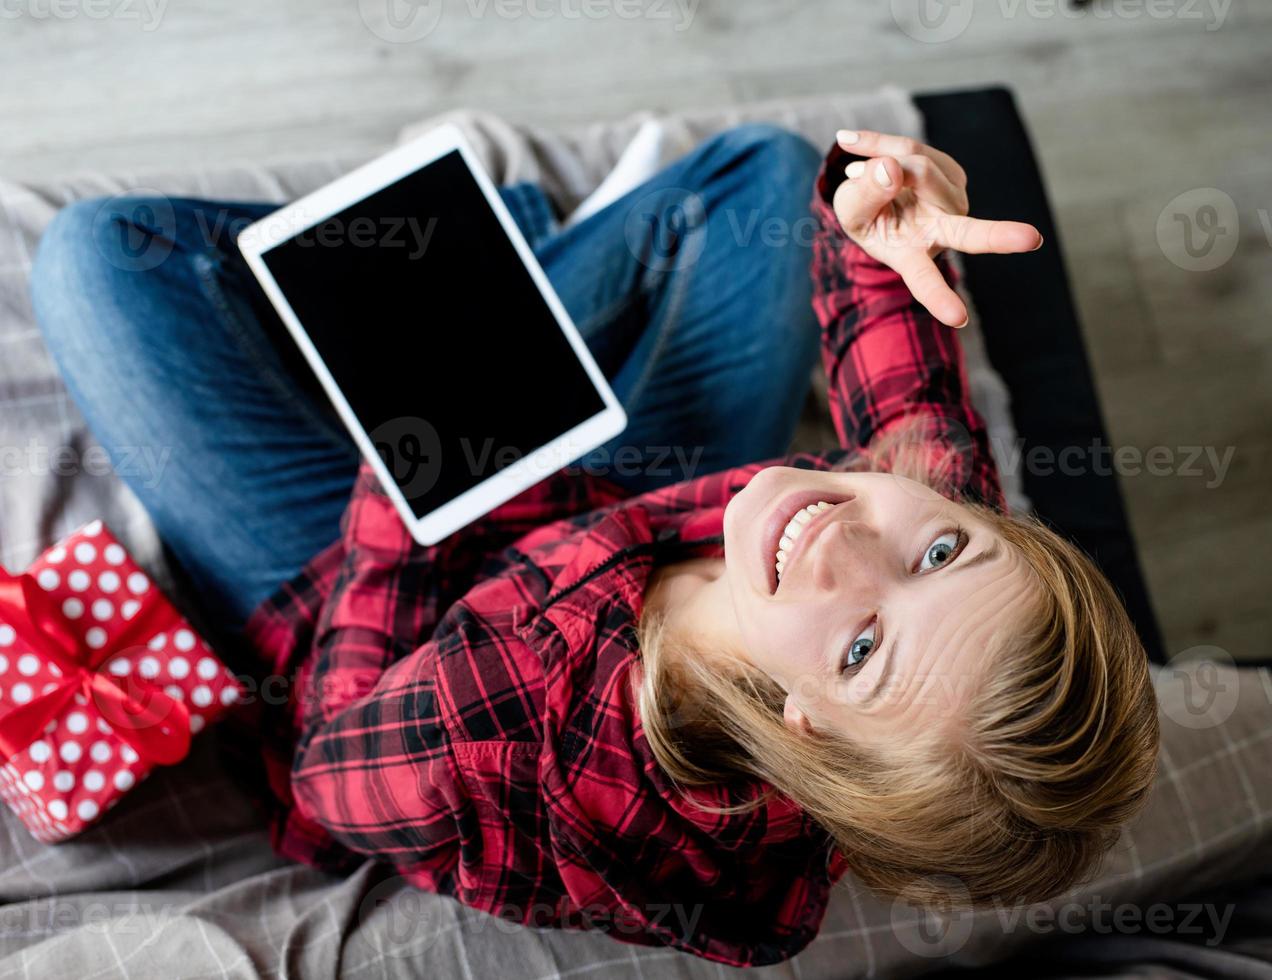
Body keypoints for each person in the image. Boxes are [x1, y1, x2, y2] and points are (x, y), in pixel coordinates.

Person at [28, 124, 1160, 968]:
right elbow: (912, 406)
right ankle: (494, 299)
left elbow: (333, 771)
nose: (844, 537)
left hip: (389, 582)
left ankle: (479, 289)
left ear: (803, 725)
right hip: (622, 496)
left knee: (99, 256)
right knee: (768, 175)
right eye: (943, 552)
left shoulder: (513, 740)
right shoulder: (932, 541)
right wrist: (878, 231)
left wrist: (412, 454)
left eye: (862, 646)